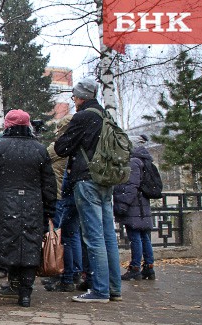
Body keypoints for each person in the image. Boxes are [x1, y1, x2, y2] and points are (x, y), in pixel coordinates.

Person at [0, 109, 56, 308]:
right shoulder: (39, 149)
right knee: (29, 248)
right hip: (32, 204)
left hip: (0, 203)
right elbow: (49, 185)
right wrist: (48, 210)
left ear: (7, 126)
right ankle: (25, 296)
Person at [54, 77, 122, 303]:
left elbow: (61, 147)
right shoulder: (106, 116)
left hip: (86, 179)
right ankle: (114, 288)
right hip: (105, 178)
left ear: (81, 97)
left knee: (93, 237)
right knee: (108, 235)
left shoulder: (82, 117)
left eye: (74, 97)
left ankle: (100, 290)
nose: (74, 101)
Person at [45, 115, 84, 293]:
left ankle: (64, 275)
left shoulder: (59, 147)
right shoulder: (80, 146)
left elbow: (42, 157)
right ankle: (75, 272)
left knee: (59, 237)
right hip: (76, 195)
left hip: (60, 195)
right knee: (72, 235)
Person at [114, 134, 156, 281]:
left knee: (135, 237)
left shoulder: (133, 162)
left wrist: (123, 204)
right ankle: (149, 267)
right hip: (143, 205)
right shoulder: (145, 160)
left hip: (134, 206)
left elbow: (131, 186)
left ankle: (135, 267)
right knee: (144, 237)